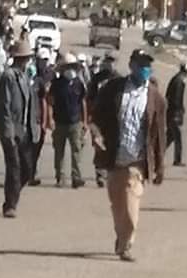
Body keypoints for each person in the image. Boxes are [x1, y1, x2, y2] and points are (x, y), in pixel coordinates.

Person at [90, 50, 166, 262]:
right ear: (131, 65)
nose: (144, 69)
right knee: (118, 204)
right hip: (115, 156)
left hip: (137, 160)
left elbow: (159, 134)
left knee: (132, 204)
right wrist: (96, 135)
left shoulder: (155, 97)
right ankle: (121, 235)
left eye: (147, 66)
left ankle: (126, 245)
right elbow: (96, 116)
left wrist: (160, 166)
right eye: (140, 65)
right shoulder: (113, 89)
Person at [0, 40, 41, 218]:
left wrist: (35, 126)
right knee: (14, 167)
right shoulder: (8, 77)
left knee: (27, 169)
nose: (26, 61)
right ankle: (10, 204)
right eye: (24, 58)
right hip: (11, 130)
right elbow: (4, 105)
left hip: (25, 131)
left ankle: (13, 192)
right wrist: (8, 131)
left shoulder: (24, 77)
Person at [47, 53, 88, 189]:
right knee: (59, 151)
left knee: (76, 150)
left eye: (72, 67)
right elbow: (50, 102)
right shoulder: (56, 84)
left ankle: (76, 177)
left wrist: (85, 121)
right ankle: (60, 177)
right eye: (67, 67)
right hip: (60, 123)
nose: (70, 70)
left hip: (75, 123)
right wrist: (50, 119)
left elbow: (82, 102)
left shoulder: (79, 84)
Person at [88, 51, 120, 188]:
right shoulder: (97, 78)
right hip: (98, 117)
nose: (110, 64)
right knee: (99, 145)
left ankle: (110, 172)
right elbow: (90, 97)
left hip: (113, 118)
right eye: (108, 61)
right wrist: (89, 116)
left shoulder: (119, 79)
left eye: (112, 61)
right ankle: (100, 174)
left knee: (112, 145)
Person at [30, 47, 55, 186]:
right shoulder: (32, 74)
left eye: (45, 60)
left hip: (40, 117)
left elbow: (46, 101)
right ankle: (28, 173)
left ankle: (31, 173)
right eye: (41, 60)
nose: (43, 63)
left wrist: (46, 121)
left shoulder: (51, 74)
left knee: (36, 149)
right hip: (29, 117)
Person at [166, 60, 187, 167]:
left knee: (170, 137)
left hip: (171, 112)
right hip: (174, 113)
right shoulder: (179, 81)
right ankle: (177, 160)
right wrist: (179, 111)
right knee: (177, 137)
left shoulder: (176, 79)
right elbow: (177, 99)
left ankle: (157, 153)